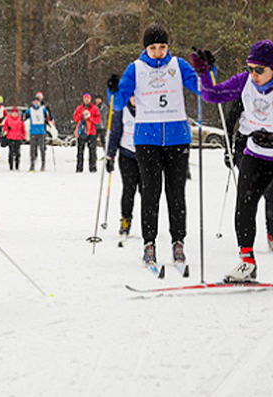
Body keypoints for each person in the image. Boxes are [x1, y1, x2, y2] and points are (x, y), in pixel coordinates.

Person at [192, 39, 273, 295]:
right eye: (250, 67)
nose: (254, 74)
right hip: (257, 154)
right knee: (244, 207)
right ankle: (247, 263)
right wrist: (204, 74)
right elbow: (212, 95)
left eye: (259, 69)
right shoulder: (245, 82)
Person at [112, 23, 199, 267]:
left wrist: (206, 70)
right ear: (146, 48)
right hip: (146, 140)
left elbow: (203, 89)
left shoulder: (178, 65)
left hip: (177, 138)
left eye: (162, 47)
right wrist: (113, 91)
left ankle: (178, 241)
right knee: (150, 193)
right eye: (153, 47)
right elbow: (119, 102)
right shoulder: (135, 68)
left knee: (176, 193)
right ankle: (149, 244)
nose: (158, 52)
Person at [225, 99, 273, 251]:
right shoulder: (244, 95)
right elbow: (229, 123)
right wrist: (228, 150)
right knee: (248, 193)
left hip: (269, 146)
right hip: (245, 147)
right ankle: (245, 238)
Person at [106, 95, 140, 236]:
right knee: (128, 189)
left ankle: (149, 222)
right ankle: (126, 220)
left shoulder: (148, 110)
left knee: (147, 192)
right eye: (131, 96)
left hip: (146, 156)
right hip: (127, 155)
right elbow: (115, 133)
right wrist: (110, 155)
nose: (134, 99)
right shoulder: (122, 111)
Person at [73, 93, 101, 173]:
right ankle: (79, 168)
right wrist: (81, 116)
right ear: (83, 99)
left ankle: (93, 168)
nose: (86, 100)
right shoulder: (79, 108)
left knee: (92, 151)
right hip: (82, 132)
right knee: (80, 151)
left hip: (91, 132)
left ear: (90, 99)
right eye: (85, 98)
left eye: (88, 98)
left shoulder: (94, 108)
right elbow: (75, 118)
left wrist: (90, 118)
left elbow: (98, 120)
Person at [24, 97, 50, 172]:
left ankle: (43, 164)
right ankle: (32, 164)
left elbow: (49, 117)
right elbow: (25, 117)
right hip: (33, 132)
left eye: (37, 102)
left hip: (41, 132)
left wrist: (49, 110)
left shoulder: (43, 109)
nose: (36, 103)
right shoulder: (30, 110)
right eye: (34, 101)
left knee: (42, 149)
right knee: (32, 150)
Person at [3, 106, 26, 171]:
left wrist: (24, 137)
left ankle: (17, 166)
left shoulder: (20, 119)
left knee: (17, 153)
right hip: (10, 137)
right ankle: (11, 166)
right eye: (13, 113)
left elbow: (23, 129)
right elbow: (4, 127)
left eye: (16, 113)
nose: (14, 114)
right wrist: (7, 128)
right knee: (11, 152)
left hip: (18, 138)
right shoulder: (8, 119)